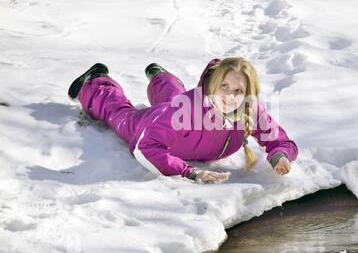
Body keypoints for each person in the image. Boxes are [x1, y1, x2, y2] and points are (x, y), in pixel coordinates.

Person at [68, 57, 298, 183]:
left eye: (238, 90)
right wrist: (189, 172)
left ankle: (162, 77)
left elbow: (279, 140)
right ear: (213, 85)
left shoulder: (249, 109)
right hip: (149, 125)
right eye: (224, 86)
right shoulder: (185, 111)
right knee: (117, 113)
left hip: (177, 112)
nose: (229, 96)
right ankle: (95, 80)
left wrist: (280, 157)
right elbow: (146, 147)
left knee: (173, 101)